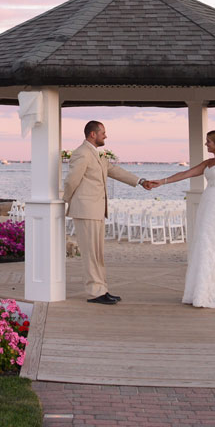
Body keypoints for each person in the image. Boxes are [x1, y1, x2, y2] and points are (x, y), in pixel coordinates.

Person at [141, 128, 215, 308]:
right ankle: (199, 291)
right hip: (207, 202)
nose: (206, 144)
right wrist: (161, 181)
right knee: (202, 242)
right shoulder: (208, 163)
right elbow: (185, 174)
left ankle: (211, 291)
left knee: (213, 243)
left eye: (209, 141)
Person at [62, 120, 143, 305]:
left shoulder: (97, 154)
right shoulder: (81, 154)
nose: (105, 136)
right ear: (93, 134)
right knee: (90, 253)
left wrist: (140, 181)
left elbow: (114, 170)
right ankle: (95, 292)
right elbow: (71, 181)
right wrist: (65, 200)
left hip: (97, 210)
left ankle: (102, 289)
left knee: (98, 253)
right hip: (85, 210)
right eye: (103, 133)